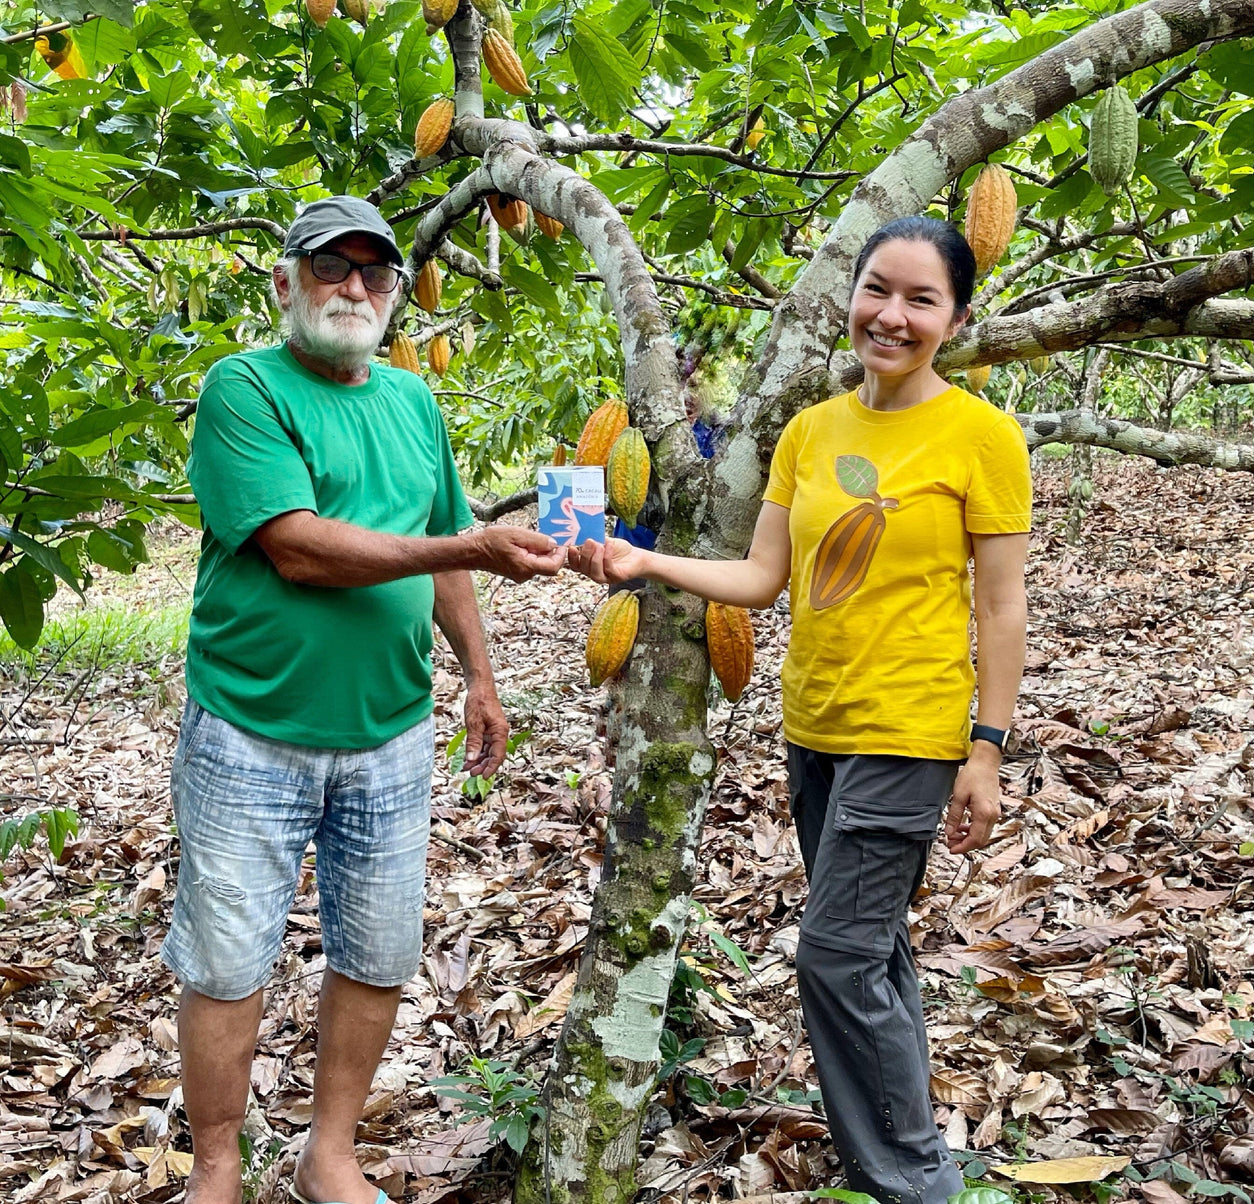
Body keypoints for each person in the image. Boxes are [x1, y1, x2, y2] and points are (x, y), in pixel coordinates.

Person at [568, 216, 1032, 1204]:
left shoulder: (981, 437)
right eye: (879, 290)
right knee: (873, 953)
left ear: (955, 317)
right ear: (851, 294)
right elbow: (761, 574)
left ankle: (912, 1186)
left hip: (909, 731)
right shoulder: (814, 431)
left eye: (921, 300)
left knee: (834, 958)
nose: (892, 316)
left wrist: (986, 748)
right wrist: (642, 559)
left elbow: (1001, 604)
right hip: (813, 728)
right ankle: (904, 1165)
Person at [164, 195, 565, 1204]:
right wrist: (466, 546)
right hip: (253, 725)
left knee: (380, 949)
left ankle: (326, 1155)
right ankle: (217, 1168)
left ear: (394, 292)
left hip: (388, 730)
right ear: (285, 282)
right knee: (225, 958)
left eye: (374, 274)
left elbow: (447, 542)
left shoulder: (412, 402)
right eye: (332, 268)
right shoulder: (244, 388)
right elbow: (298, 548)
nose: (354, 289)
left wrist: (477, 671)